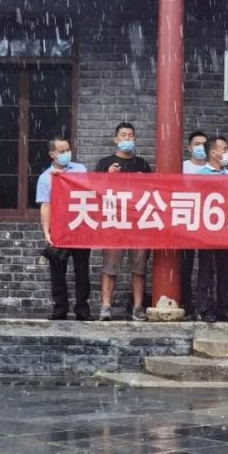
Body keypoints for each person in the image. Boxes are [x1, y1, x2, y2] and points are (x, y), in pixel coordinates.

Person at [95, 122, 152, 322]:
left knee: (139, 267)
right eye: (123, 135)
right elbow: (94, 191)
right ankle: (105, 306)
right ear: (115, 139)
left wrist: (142, 181)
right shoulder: (104, 164)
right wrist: (107, 177)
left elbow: (153, 192)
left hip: (137, 223)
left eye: (130, 135)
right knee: (110, 266)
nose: (127, 138)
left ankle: (138, 307)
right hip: (114, 221)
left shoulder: (142, 165)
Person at [36, 136, 90, 321]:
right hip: (59, 228)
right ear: (52, 154)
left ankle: (82, 309)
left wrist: (65, 179)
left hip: (80, 225)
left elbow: (88, 189)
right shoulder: (45, 178)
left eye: (68, 150)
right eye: (62, 151)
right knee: (57, 271)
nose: (67, 153)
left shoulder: (80, 169)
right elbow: (45, 206)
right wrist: (47, 232)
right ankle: (60, 309)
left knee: (82, 270)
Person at [196, 136, 228, 323]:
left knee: (227, 270)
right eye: (224, 149)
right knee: (206, 270)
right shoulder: (201, 175)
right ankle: (205, 308)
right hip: (207, 231)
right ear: (213, 153)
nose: (227, 152)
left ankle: (225, 308)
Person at [180, 130, 209, 319]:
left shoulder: (213, 168)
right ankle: (186, 303)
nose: (200, 148)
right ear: (189, 147)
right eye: (196, 144)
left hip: (208, 221)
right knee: (185, 265)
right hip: (186, 220)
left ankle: (204, 305)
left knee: (206, 267)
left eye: (204, 144)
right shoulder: (181, 167)